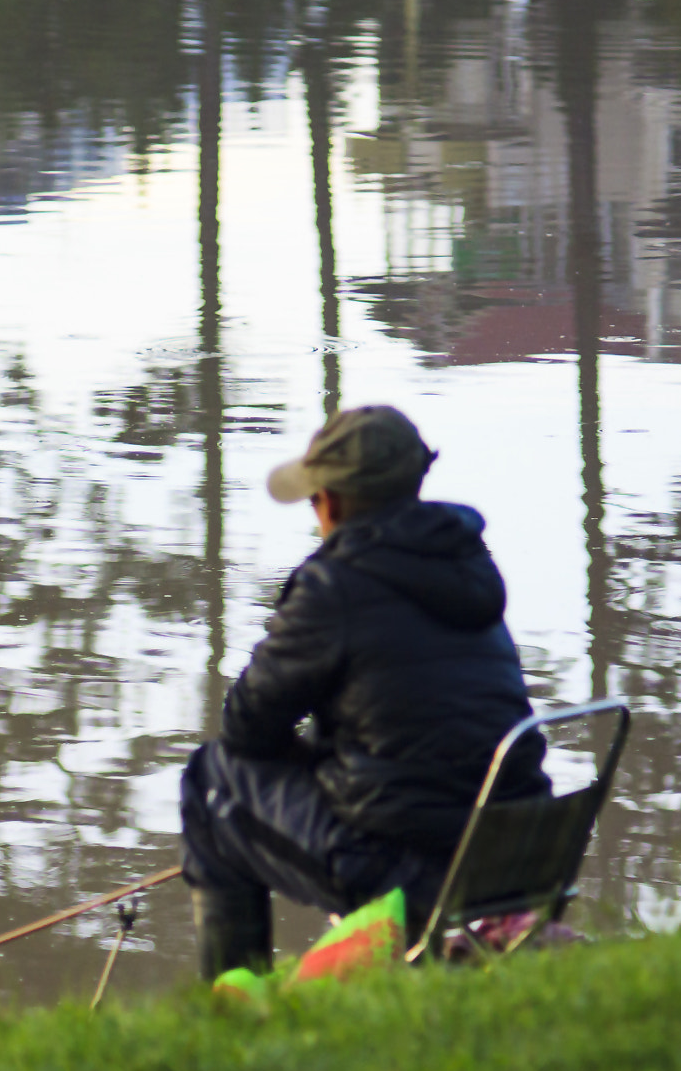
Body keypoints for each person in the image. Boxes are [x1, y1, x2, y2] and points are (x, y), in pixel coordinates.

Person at [179, 404, 549, 979]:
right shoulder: (468, 565)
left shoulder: (334, 586)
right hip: (515, 856)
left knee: (209, 779)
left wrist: (314, 754)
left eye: (314, 498)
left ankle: (231, 1007)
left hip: (412, 872)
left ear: (331, 502)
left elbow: (246, 727)